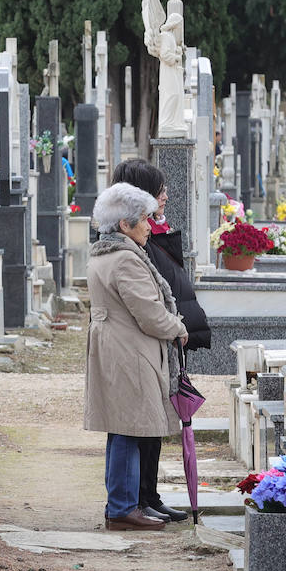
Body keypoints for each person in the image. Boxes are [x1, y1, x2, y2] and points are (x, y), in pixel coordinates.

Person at [84, 182, 189, 532]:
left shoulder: (105, 254)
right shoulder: (126, 259)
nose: (149, 225)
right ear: (125, 225)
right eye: (144, 219)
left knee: (121, 429)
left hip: (117, 348)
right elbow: (149, 313)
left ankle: (122, 504)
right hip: (129, 352)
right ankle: (123, 507)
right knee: (129, 429)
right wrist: (177, 326)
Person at [110, 159, 209, 524]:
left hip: (166, 341)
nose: (166, 196)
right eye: (159, 190)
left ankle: (149, 495)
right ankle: (138, 498)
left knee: (155, 426)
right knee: (142, 427)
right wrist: (178, 327)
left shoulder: (152, 234)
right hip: (148, 344)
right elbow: (151, 301)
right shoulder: (128, 242)